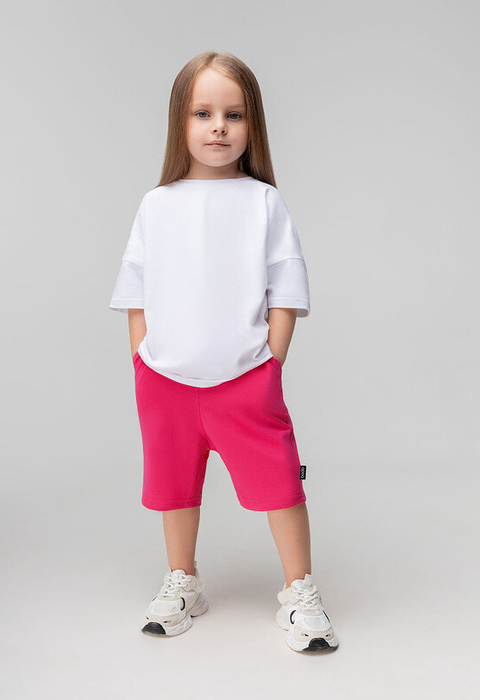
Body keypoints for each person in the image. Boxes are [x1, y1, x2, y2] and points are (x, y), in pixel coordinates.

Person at [108, 51, 339, 652]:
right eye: (203, 113)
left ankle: (300, 589)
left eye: (233, 115)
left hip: (246, 380)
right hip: (165, 379)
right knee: (174, 487)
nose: (218, 127)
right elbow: (136, 288)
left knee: (280, 484)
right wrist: (142, 359)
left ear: (252, 123)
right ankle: (182, 579)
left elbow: (286, 286)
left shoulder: (264, 202)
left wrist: (271, 361)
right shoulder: (157, 204)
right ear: (179, 122)